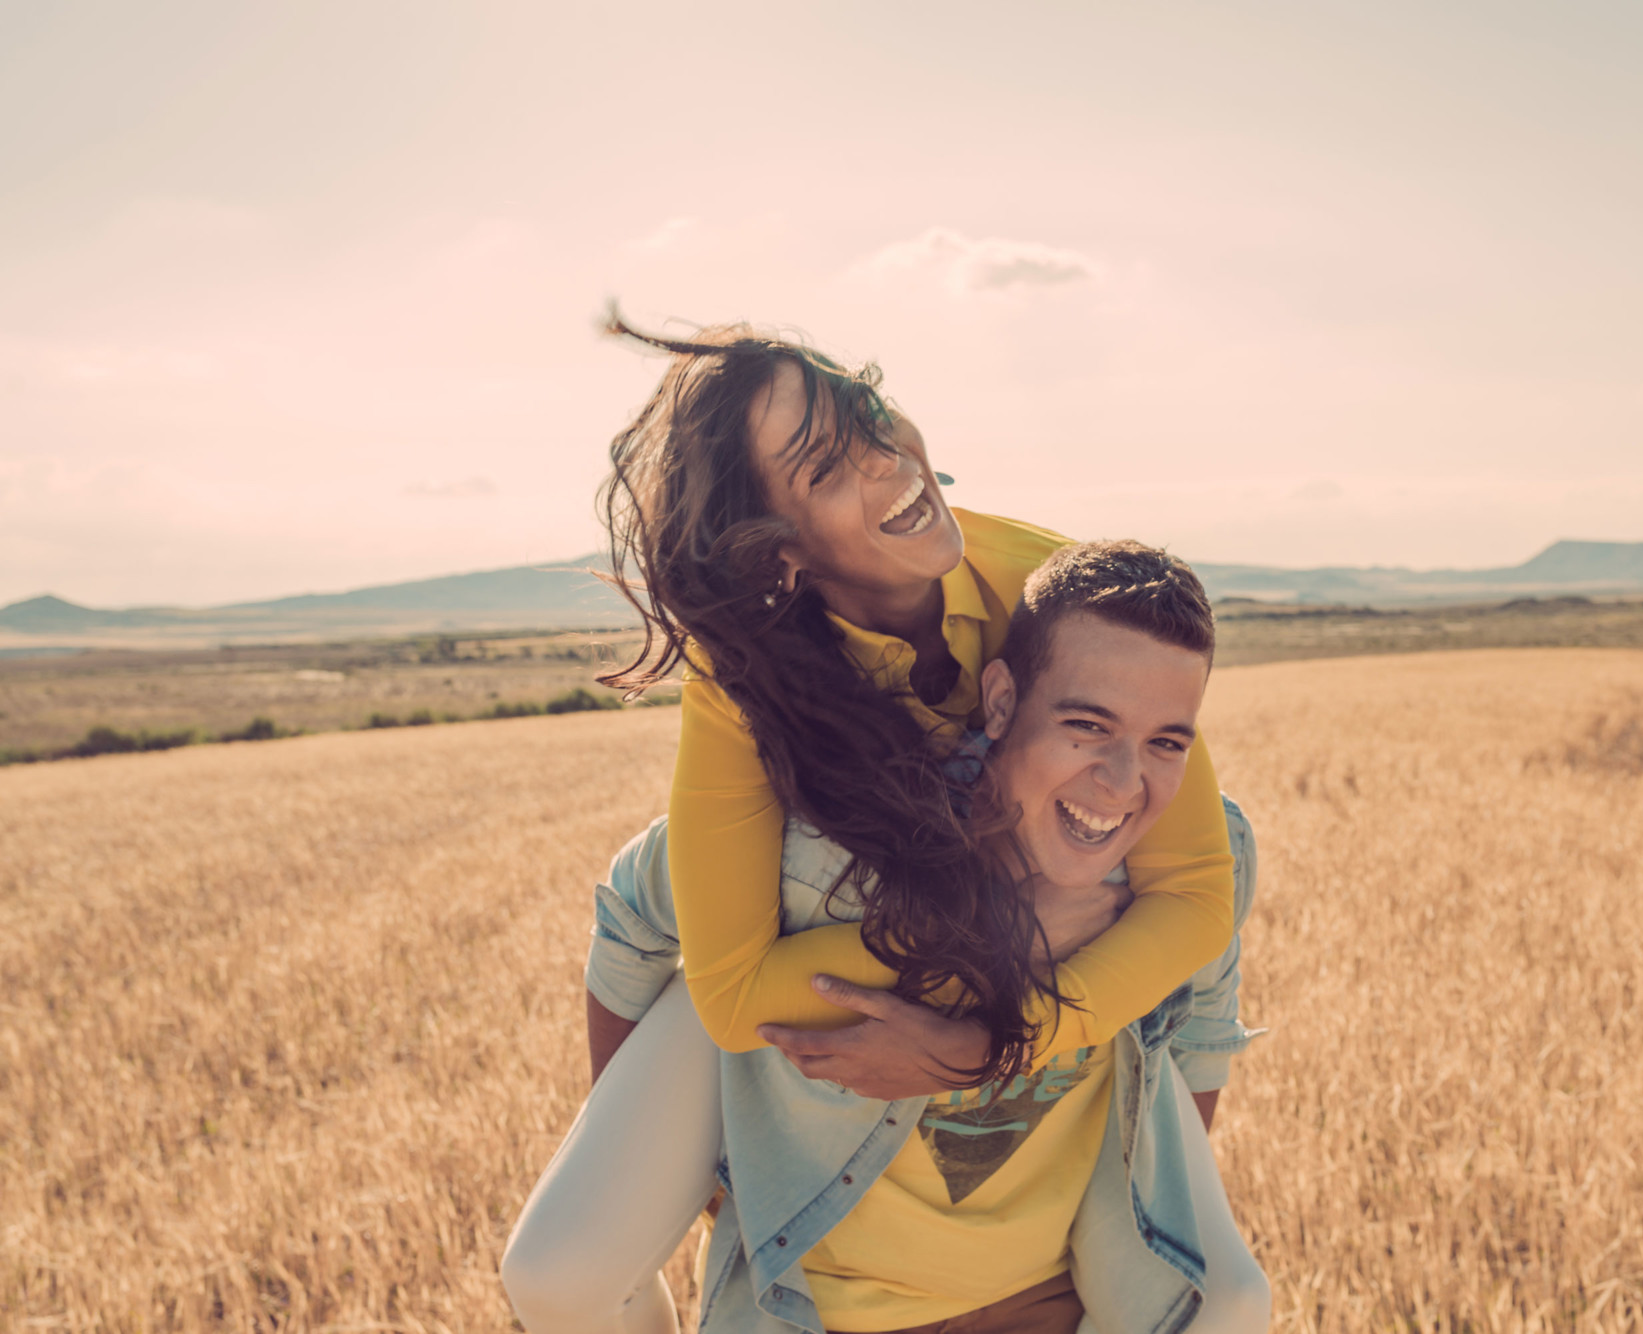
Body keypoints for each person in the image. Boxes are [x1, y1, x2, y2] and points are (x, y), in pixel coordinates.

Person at [500, 324, 1262, 1330]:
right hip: (815, 962)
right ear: (778, 553)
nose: (888, 457)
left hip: (971, 985)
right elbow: (718, 985)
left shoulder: (1053, 595)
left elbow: (1201, 884)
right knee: (555, 1275)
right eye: (827, 464)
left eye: (864, 410)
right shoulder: (747, 681)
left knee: (1235, 1303)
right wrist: (708, 1152)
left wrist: (1000, 1040)